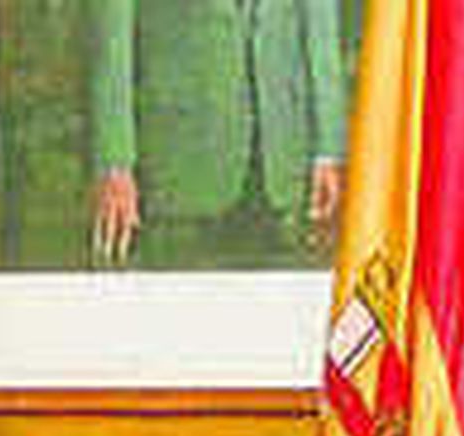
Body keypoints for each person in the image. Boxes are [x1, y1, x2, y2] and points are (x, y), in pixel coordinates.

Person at [88, 0, 349, 269]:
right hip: (181, 172)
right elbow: (111, 41)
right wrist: (114, 162)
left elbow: (323, 31)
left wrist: (330, 150)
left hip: (283, 168)